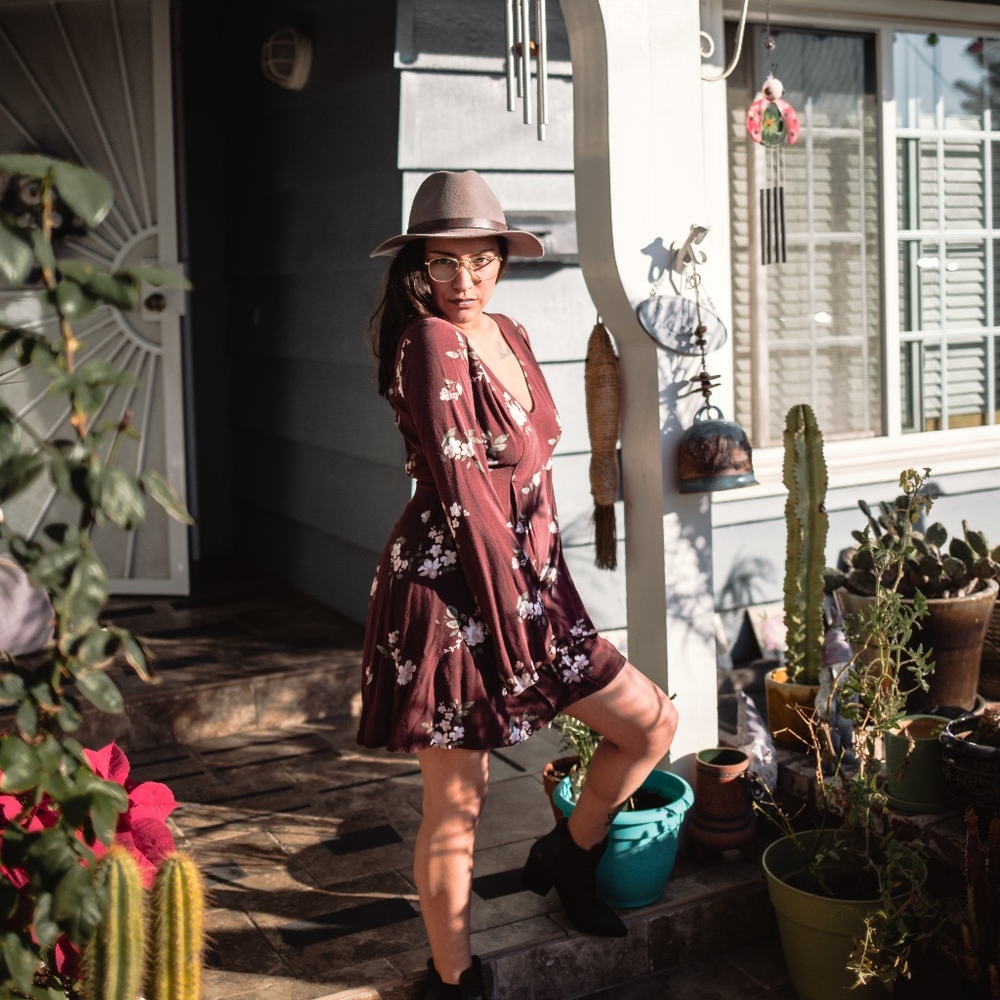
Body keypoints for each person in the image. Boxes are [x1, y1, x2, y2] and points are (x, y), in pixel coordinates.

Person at [360, 171, 677, 1000]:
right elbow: (467, 496)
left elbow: (534, 481)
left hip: (532, 590)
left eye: (478, 259)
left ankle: (567, 855)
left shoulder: (512, 330)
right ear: (417, 271)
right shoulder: (429, 342)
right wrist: (512, 628)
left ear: (502, 257)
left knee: (650, 724)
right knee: (457, 805)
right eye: (442, 263)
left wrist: (550, 600)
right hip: (454, 599)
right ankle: (456, 978)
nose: (462, 281)